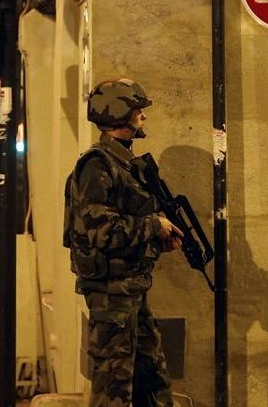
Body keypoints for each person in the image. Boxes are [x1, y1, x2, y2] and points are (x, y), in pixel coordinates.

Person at [64, 79, 182, 406]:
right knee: (114, 386)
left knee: (152, 379)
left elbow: (125, 222)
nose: (142, 117)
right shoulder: (97, 165)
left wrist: (157, 237)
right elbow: (101, 232)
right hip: (110, 293)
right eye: (136, 110)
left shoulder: (124, 163)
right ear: (119, 115)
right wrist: (152, 226)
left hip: (130, 289)